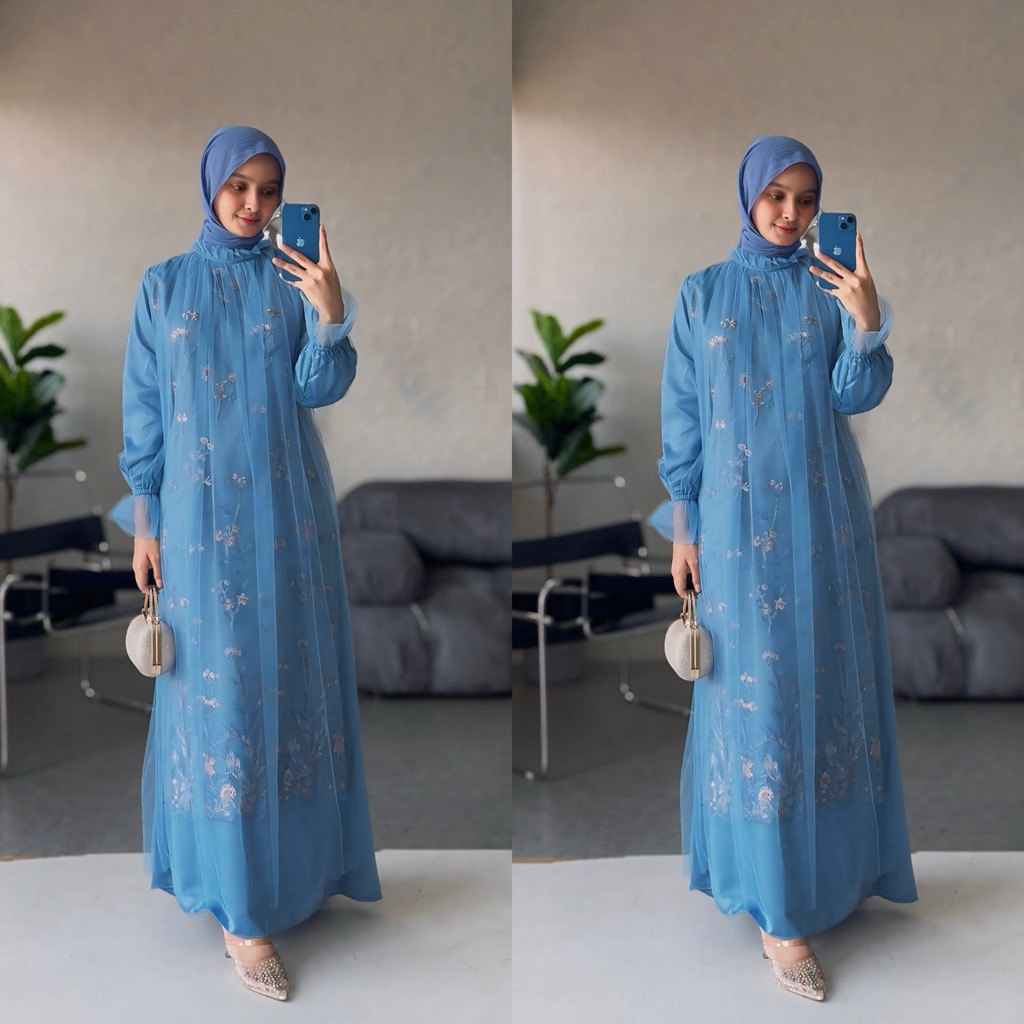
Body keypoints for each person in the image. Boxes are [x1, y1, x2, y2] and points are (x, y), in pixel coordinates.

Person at [112, 125, 381, 1002]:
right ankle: (241, 910)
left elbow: (317, 388)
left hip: (288, 516)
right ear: (210, 187)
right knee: (219, 696)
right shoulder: (164, 285)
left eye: (269, 189)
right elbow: (145, 412)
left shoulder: (291, 277)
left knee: (286, 685)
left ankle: (294, 871)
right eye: (239, 186)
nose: (254, 204)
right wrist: (145, 523)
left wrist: (330, 312)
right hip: (196, 526)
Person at [650, 135, 917, 1002]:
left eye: (806, 199)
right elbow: (683, 417)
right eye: (777, 196)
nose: (792, 214)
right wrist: (684, 528)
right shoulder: (702, 293)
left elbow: (854, 396)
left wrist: (866, 322)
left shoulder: (829, 288)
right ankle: (778, 911)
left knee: (824, 687)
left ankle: (833, 871)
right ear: (748, 195)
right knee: (756, 698)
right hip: (734, 532)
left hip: (825, 522)